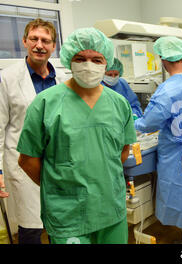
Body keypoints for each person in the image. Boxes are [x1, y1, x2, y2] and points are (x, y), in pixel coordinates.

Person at [16, 27, 136, 244]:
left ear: (106, 62)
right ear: (69, 59)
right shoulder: (46, 103)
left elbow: (123, 150)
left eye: (97, 59)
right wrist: (60, 186)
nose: (89, 65)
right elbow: (27, 160)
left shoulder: (119, 104)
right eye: (81, 58)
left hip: (110, 209)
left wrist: (100, 179)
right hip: (67, 214)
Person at [134, 36, 182, 244]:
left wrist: (131, 126)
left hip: (177, 154)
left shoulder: (169, 89)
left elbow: (149, 123)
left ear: (163, 59)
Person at [0, 18, 67, 244]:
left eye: (46, 40)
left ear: (54, 46)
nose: (40, 45)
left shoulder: (63, 79)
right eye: (34, 39)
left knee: (60, 219)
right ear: (24, 41)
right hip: (23, 161)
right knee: (30, 228)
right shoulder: (7, 78)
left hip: (57, 161)